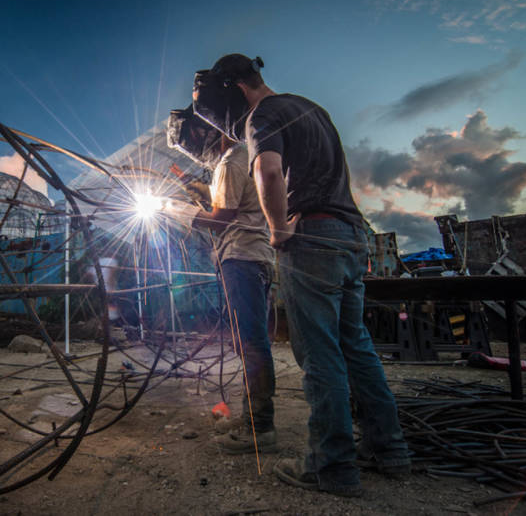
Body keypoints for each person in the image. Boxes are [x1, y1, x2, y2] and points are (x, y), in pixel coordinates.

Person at [194, 54, 409, 497]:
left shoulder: (262, 115)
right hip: (350, 234)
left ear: (236, 88)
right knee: (356, 347)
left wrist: (278, 230)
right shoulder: (313, 109)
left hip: (312, 236)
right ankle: (389, 449)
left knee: (319, 352)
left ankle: (331, 466)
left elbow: (268, 170)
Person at [165, 105, 277, 454]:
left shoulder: (230, 161)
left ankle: (260, 429)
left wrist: (172, 209)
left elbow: (219, 220)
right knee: (249, 342)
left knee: (252, 343)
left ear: (205, 132)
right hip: (250, 256)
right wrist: (196, 189)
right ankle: (254, 420)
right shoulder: (239, 157)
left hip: (242, 257)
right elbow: (229, 204)